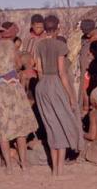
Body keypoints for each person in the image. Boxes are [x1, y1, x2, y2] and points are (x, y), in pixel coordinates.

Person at [0, 17, 38, 174]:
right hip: (13, 87)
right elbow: (18, 65)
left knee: (3, 129)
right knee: (19, 126)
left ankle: (9, 167)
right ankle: (24, 164)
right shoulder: (10, 45)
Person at [34, 15, 84, 176]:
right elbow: (62, 73)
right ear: (58, 28)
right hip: (56, 84)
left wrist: (44, 86)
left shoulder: (40, 45)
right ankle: (60, 169)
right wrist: (70, 95)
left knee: (50, 126)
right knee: (62, 125)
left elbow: (39, 70)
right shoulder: (60, 46)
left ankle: (54, 169)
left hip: (42, 86)